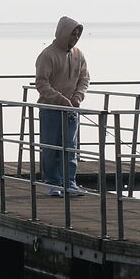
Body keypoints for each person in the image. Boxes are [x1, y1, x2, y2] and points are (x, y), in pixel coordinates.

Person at [35, 16, 89, 194]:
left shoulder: (78, 54)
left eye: (78, 34)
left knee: (70, 147)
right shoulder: (47, 55)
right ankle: (52, 182)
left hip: (71, 109)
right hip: (50, 109)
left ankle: (69, 182)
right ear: (62, 33)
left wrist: (77, 97)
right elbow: (42, 83)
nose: (75, 37)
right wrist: (60, 99)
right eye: (72, 34)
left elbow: (85, 79)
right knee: (51, 146)